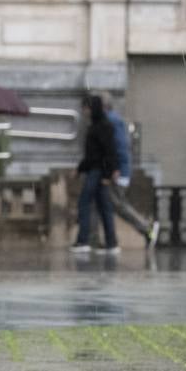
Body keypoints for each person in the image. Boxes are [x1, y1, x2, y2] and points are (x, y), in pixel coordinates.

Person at [100, 92, 160, 249]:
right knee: (114, 203)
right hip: (118, 168)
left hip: (118, 169)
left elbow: (119, 146)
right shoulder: (112, 120)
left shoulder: (111, 120)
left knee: (118, 204)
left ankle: (146, 227)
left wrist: (116, 168)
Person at [70, 94, 119, 256]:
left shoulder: (102, 126)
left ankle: (83, 240)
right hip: (97, 170)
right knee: (104, 207)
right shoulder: (98, 125)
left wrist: (107, 174)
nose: (84, 111)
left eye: (86, 107)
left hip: (98, 171)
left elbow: (107, 152)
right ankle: (111, 242)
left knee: (85, 203)